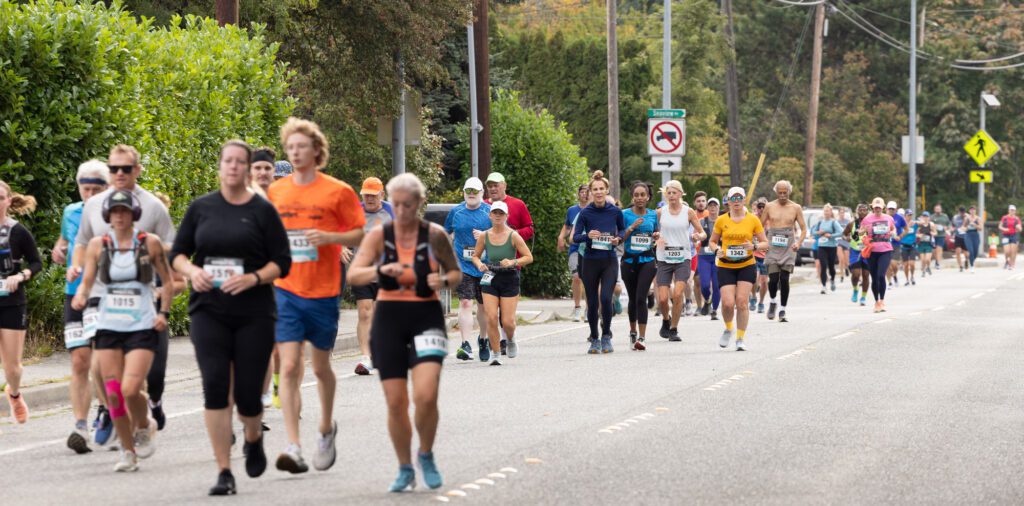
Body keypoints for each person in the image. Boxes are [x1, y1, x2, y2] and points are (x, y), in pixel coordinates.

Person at [171, 140, 292, 494]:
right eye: (229, 161)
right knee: (215, 388)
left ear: (247, 167)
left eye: (242, 162)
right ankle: (224, 471)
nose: (235, 167)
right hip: (209, 309)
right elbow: (177, 254)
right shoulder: (201, 208)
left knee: (248, 395)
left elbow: (282, 262)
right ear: (221, 166)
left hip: (254, 311)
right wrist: (192, 272)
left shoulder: (262, 210)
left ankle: (253, 436)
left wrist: (254, 277)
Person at [347, 173, 461, 493]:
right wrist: (380, 271)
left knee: (425, 396)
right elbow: (355, 273)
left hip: (426, 316)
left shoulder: (435, 235)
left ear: (419, 203)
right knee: (396, 402)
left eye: (408, 205)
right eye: (396, 204)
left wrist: (443, 281)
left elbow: (454, 272)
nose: (401, 211)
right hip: (389, 318)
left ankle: (425, 453)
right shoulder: (378, 235)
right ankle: (404, 466)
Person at [268, 118, 365, 474]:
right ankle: (293, 446)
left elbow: (359, 234)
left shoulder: (337, 191)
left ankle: (325, 428)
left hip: (323, 291)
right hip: (286, 290)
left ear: (316, 150)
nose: (294, 152)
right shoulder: (276, 193)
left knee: (321, 367)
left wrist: (328, 238)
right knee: (291, 365)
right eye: (290, 146)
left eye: (301, 146)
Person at [69, 144, 177, 433]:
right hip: (103, 300)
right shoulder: (95, 205)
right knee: (101, 368)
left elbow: (173, 249)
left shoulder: (153, 206)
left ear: (137, 170)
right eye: (113, 168)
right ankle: (111, 414)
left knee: (153, 373)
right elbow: (82, 242)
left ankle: (151, 401)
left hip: (144, 296)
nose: (118, 173)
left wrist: (146, 250)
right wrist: (77, 269)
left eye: (125, 169)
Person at [54, 161, 109, 452]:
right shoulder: (70, 212)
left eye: (95, 189)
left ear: (106, 188)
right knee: (79, 361)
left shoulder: (115, 214)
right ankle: (80, 426)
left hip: (102, 294)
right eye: (84, 189)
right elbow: (64, 242)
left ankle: (108, 409)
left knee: (102, 362)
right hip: (74, 293)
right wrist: (59, 251)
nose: (88, 195)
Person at [471, 201, 533, 366]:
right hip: (490, 276)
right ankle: (496, 352)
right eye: (495, 213)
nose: (498, 216)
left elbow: (528, 257)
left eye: (501, 213)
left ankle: (511, 339)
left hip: (509, 278)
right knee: (491, 317)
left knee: (507, 322)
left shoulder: (513, 235)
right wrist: (479, 265)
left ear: (506, 216)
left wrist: (513, 262)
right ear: (490, 215)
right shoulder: (484, 235)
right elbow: (475, 256)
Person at [0, 182, 41, 425]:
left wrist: (21, 275)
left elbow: (36, 262)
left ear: (8, 201)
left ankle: (14, 394)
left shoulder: (18, 232)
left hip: (12, 303)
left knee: (12, 367)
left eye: (1, 197)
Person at [573, 171, 625, 353]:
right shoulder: (586, 213)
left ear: (607, 190)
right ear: (590, 192)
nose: (598, 192)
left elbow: (623, 231)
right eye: (595, 189)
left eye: (601, 189)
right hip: (590, 261)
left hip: (609, 260)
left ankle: (606, 335)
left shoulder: (615, 211)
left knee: (605, 298)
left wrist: (618, 239)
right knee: (593, 302)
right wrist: (588, 236)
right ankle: (594, 338)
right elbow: (575, 238)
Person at [710, 187, 768, 351]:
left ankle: (740, 338)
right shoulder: (721, 220)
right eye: (733, 198)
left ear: (744, 200)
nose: (736, 201)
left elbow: (765, 243)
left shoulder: (753, 219)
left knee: (742, 302)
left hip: (746, 264)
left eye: (739, 198)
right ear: (728, 201)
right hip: (726, 265)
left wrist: (754, 245)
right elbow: (712, 241)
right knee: (728, 304)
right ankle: (729, 328)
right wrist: (716, 250)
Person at [484, 172, 534, 356]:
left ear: (504, 185)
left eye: (496, 185)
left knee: (507, 315)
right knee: (489, 311)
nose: (493, 188)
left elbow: (530, 228)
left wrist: (512, 235)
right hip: (488, 266)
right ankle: (497, 342)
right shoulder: (484, 206)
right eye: (490, 185)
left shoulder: (517, 204)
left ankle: (507, 337)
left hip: (512, 264)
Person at [444, 177, 491, 361]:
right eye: (468, 191)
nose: (471, 194)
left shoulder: (489, 211)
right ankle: (465, 344)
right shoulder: (456, 211)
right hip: (463, 265)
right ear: (464, 192)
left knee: (484, 306)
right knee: (465, 302)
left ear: (482, 193)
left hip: (486, 266)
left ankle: (484, 339)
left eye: (475, 191)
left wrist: (485, 236)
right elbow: (446, 232)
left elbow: (502, 234)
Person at [351, 177, 395, 376]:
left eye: (373, 195)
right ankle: (366, 357)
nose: (369, 198)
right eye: (366, 195)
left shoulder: (391, 212)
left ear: (381, 195)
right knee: (365, 312)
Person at [654, 180, 706, 341]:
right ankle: (665, 319)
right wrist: (656, 237)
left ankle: (674, 328)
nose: (671, 196)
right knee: (662, 298)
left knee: (677, 294)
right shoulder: (660, 212)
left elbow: (702, 233)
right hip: (664, 258)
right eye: (668, 193)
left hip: (683, 257)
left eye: (674, 192)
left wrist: (698, 236)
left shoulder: (688, 212)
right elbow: (653, 231)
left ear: (680, 194)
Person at [760, 180, 807, 322]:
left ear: (789, 192)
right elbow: (760, 226)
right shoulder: (769, 206)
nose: (782, 195)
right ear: (776, 192)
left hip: (789, 244)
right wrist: (762, 242)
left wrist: (798, 243)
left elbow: (804, 228)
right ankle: (773, 301)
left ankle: (782, 310)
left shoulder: (796, 207)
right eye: (779, 193)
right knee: (773, 279)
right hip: (773, 243)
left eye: (784, 193)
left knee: (785, 279)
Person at [620, 181, 658, 350]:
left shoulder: (653, 215)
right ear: (632, 197)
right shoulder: (624, 214)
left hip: (647, 260)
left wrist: (657, 235)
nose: (639, 198)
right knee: (633, 298)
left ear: (648, 197)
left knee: (641, 297)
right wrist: (631, 228)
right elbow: (619, 237)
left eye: (643, 195)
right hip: (628, 260)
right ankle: (633, 332)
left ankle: (642, 337)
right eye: (636, 195)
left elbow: (656, 233)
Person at [558, 184, 589, 322]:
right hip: (575, 248)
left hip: (590, 248)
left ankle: (589, 309)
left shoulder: (594, 209)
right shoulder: (572, 210)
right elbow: (567, 226)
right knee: (576, 277)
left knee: (589, 280)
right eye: (582, 192)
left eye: (587, 192)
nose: (585, 194)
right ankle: (577, 308)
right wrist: (560, 237)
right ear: (578, 194)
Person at [859, 198, 896, 312]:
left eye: (879, 207)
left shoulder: (889, 218)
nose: (877, 209)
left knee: (881, 275)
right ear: (872, 207)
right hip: (872, 250)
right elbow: (860, 232)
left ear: (883, 207)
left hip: (885, 250)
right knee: (874, 278)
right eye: (875, 207)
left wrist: (893, 233)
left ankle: (882, 300)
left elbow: (893, 229)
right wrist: (862, 231)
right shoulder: (867, 219)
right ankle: (877, 302)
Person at [696, 198, 722, 320]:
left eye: (715, 205)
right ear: (707, 207)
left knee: (717, 285)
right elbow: (697, 234)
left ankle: (715, 310)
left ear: (718, 207)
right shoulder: (702, 221)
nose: (712, 208)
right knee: (705, 285)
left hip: (719, 257)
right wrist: (696, 238)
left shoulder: (723, 221)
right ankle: (707, 300)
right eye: (710, 205)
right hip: (704, 256)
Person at [842, 204, 871, 306]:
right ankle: (855, 289)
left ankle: (863, 297)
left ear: (868, 212)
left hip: (867, 252)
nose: (862, 212)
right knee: (855, 274)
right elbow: (844, 234)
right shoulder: (851, 224)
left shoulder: (871, 224)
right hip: (855, 251)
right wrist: (847, 238)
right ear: (857, 211)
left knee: (866, 275)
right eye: (860, 210)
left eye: (864, 210)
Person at [813, 204, 843, 294]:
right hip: (822, 246)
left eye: (828, 211)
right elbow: (813, 232)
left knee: (831, 266)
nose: (826, 212)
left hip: (832, 247)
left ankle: (833, 280)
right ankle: (823, 286)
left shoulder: (833, 222)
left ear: (831, 212)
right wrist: (819, 232)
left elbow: (841, 232)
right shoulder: (820, 222)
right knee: (823, 266)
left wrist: (831, 235)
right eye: (825, 211)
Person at [689, 191, 709, 315]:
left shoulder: (709, 214)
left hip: (708, 253)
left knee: (705, 281)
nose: (701, 203)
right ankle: (699, 306)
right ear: (694, 203)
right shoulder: (691, 215)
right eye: (698, 201)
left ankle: (708, 301)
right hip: (695, 252)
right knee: (696, 281)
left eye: (703, 201)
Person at [750, 197, 769, 314]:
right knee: (754, 278)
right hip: (754, 253)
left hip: (767, 255)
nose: (761, 209)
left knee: (764, 281)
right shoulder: (752, 218)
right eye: (759, 207)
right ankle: (753, 296)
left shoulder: (771, 220)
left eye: (764, 207)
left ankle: (761, 302)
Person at [885, 202, 907, 287]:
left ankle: (894, 275)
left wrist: (900, 236)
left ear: (896, 209)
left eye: (892, 209)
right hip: (885, 243)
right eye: (889, 208)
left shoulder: (899, 218)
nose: (891, 210)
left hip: (896, 244)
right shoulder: (883, 217)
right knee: (887, 264)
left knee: (894, 264)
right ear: (887, 209)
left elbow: (906, 229)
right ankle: (889, 282)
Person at [899, 209, 919, 285]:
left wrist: (917, 222)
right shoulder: (902, 224)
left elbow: (923, 223)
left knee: (912, 264)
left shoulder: (914, 224)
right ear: (905, 216)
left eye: (911, 215)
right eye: (908, 215)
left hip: (912, 246)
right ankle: (907, 279)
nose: (910, 217)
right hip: (904, 246)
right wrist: (907, 226)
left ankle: (912, 277)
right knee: (906, 265)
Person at [999, 205, 1021, 270]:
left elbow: (1020, 229)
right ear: (1008, 211)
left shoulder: (1017, 219)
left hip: (1013, 235)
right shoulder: (1004, 217)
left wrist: (1018, 227)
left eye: (1013, 210)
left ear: (1015, 211)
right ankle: (1007, 261)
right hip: (1005, 235)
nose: (1012, 211)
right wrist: (1004, 229)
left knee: (1013, 251)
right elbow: (1000, 226)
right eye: (1011, 210)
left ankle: (1012, 265)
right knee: (1007, 251)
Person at [930, 204, 951, 269]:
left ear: (941, 209)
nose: (937, 210)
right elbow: (929, 224)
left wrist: (946, 227)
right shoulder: (932, 217)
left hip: (941, 235)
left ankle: (937, 263)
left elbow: (949, 224)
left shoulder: (945, 216)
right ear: (934, 210)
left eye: (939, 209)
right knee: (934, 250)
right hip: (934, 235)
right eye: (936, 209)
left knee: (939, 248)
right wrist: (934, 226)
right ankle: (934, 260)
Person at [916, 211, 936, 278]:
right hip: (921, 243)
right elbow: (916, 234)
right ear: (922, 217)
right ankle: (923, 271)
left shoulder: (931, 225)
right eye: (924, 216)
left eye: (926, 216)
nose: (925, 218)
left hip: (928, 243)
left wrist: (932, 233)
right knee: (922, 260)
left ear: (929, 217)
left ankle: (928, 267)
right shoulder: (919, 225)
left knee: (927, 259)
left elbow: (935, 232)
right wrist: (919, 235)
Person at [963, 206, 982, 273]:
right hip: (968, 235)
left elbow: (981, 228)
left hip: (975, 235)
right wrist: (966, 228)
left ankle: (968, 259)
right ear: (969, 211)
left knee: (975, 252)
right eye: (971, 210)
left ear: (975, 211)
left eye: (973, 210)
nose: (972, 211)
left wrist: (975, 225)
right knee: (971, 251)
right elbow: (963, 227)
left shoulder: (978, 218)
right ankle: (972, 266)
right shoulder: (966, 218)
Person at [836, 208, 852, 282]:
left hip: (846, 242)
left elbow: (851, 231)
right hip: (839, 241)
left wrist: (849, 237)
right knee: (841, 259)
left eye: (843, 213)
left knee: (846, 261)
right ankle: (841, 275)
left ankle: (846, 268)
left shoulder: (847, 222)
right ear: (838, 214)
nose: (842, 214)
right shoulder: (836, 222)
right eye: (840, 213)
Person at [952, 207, 968, 272]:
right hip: (958, 236)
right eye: (961, 212)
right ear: (959, 212)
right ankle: (960, 266)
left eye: (963, 212)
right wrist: (952, 230)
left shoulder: (968, 217)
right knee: (957, 252)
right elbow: (953, 225)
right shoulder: (955, 217)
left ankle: (966, 260)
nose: (962, 213)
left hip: (965, 237)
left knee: (966, 253)